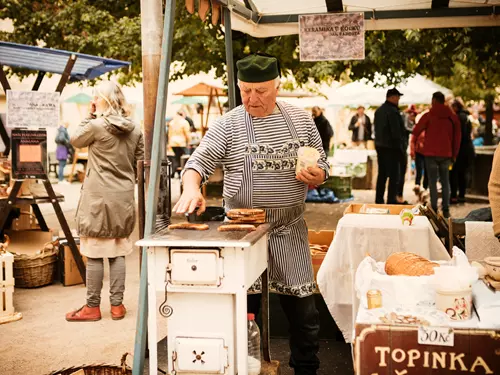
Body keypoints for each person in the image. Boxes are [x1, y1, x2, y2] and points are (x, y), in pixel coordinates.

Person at [174, 55, 329, 375]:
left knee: (304, 312)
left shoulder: (300, 120)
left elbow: (323, 164)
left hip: (289, 229)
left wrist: (318, 175)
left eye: (261, 91)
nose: (251, 99)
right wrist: (192, 188)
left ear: (277, 86)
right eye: (245, 90)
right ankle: (246, 368)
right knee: (244, 311)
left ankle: (306, 368)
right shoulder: (228, 124)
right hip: (242, 233)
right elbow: (197, 164)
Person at [65, 81, 144, 322]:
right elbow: (140, 165)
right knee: (118, 251)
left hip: (98, 199)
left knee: (96, 252)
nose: (94, 101)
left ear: (104, 100)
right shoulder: (136, 129)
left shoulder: (97, 126)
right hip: (122, 197)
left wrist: (89, 114)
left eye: (96, 97)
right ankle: (117, 307)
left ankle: (92, 307)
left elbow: (75, 139)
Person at [413, 92, 461, 218]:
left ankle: (433, 209)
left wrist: (414, 145)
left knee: (432, 182)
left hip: (430, 153)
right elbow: (457, 137)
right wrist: (454, 153)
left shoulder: (429, 115)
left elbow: (416, 130)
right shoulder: (452, 117)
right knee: (445, 182)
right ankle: (446, 209)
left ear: (434, 100)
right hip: (446, 154)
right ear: (443, 101)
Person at [374, 88, 405, 204]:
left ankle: (379, 200)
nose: (398, 100)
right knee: (393, 176)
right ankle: (391, 200)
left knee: (382, 175)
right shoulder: (392, 111)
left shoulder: (379, 111)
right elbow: (396, 132)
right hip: (392, 148)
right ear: (392, 97)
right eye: (397, 97)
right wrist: (400, 148)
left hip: (380, 146)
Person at [450, 99, 474, 204]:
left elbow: (458, 135)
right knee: (463, 173)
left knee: (453, 173)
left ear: (456, 107)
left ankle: (454, 195)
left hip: (458, 149)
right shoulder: (467, 117)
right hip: (467, 149)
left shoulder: (456, 118)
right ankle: (462, 195)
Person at [168, 113, 191, 178]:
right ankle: (182, 173)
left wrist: (169, 143)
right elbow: (187, 133)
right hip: (181, 142)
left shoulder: (172, 122)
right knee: (184, 159)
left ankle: (175, 172)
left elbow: (169, 134)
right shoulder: (184, 122)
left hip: (173, 142)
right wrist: (189, 142)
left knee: (176, 158)